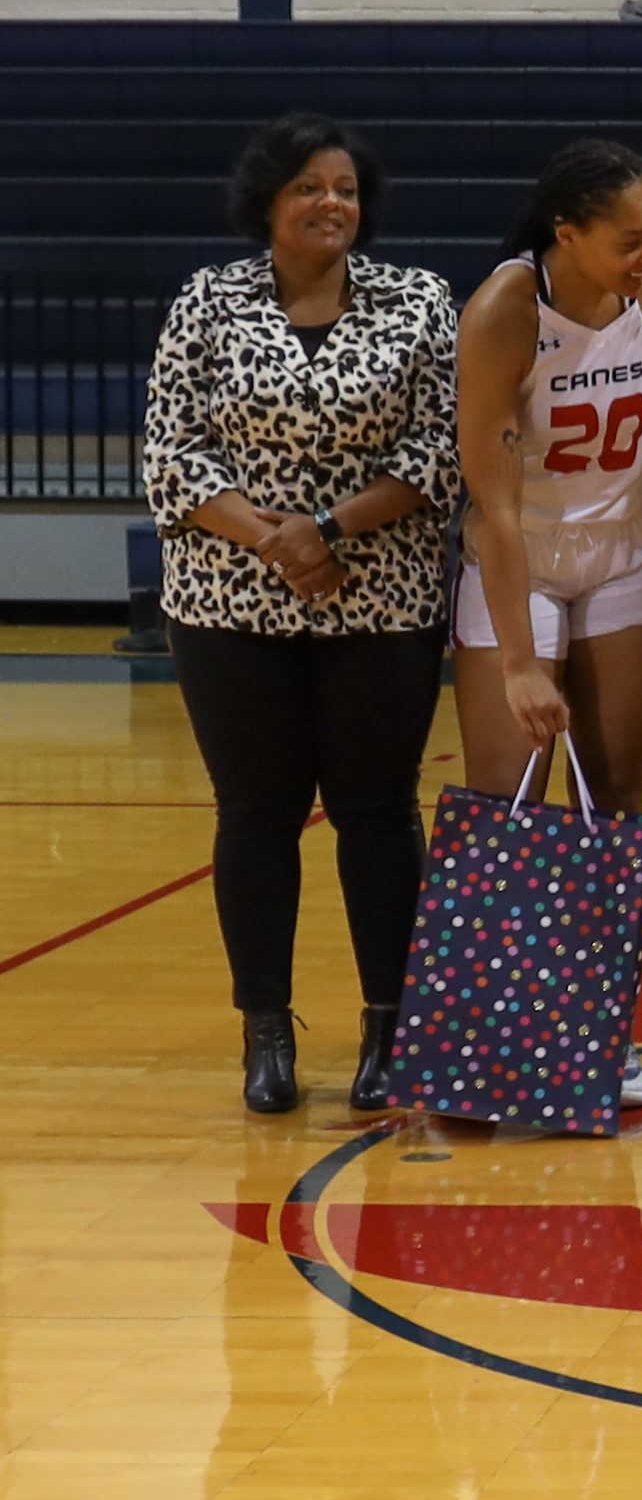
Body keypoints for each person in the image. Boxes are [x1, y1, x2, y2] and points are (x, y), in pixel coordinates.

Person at [141, 116, 459, 1116]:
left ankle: (387, 1025)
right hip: (226, 599)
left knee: (376, 813)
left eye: (348, 189)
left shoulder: (417, 299)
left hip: (383, 597)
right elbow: (170, 451)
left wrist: (324, 526)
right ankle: (266, 1033)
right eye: (311, 188)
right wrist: (273, 538)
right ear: (268, 202)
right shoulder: (209, 297)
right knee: (255, 816)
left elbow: (440, 448)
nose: (333, 203)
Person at [453, 141, 642, 1111]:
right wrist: (522, 662)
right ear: (565, 231)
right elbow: (489, 504)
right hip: (517, 550)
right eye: (631, 240)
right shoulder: (502, 313)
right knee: (504, 799)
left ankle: (598, 1029)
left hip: (631, 551)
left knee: (613, 795)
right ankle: (492, 1042)